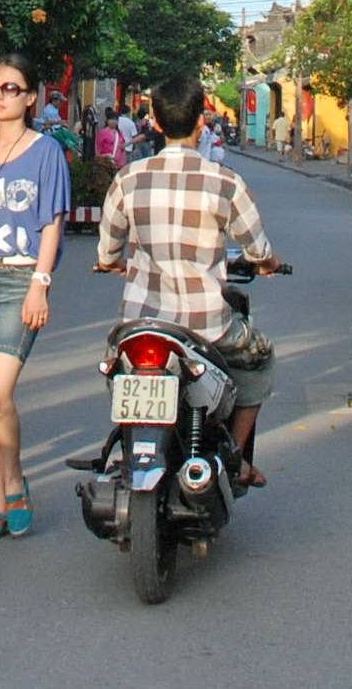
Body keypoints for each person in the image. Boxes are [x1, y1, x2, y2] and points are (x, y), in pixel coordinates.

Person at [96, 73, 283, 487]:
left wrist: (113, 263)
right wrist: (268, 263)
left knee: (117, 368)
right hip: (206, 326)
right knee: (259, 358)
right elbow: (256, 248)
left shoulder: (128, 179)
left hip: (140, 324)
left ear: (155, 123)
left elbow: (108, 249)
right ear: (202, 119)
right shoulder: (225, 182)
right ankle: (234, 456)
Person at [0, 52, 70, 540]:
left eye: (11, 88)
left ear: (29, 97)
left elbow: (52, 221)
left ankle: (17, 482)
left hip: (18, 280)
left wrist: (40, 285)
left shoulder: (45, 151)